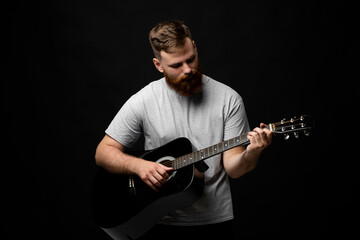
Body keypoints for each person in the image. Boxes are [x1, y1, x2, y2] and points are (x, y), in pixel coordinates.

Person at [95, 20, 273, 239]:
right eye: (177, 65)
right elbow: (103, 152)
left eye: (191, 59)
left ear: (195, 47)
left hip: (214, 222)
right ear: (158, 65)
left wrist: (253, 151)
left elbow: (234, 168)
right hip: (157, 220)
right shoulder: (143, 100)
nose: (188, 69)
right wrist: (140, 166)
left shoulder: (229, 99)